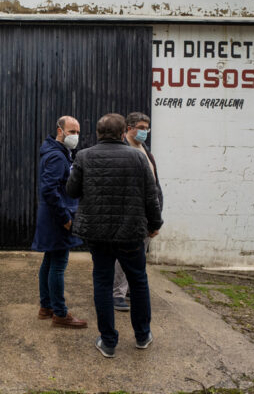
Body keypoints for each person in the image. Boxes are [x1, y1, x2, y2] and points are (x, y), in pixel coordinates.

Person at [66, 113, 163, 358]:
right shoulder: (138, 158)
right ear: (123, 133)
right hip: (131, 233)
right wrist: (155, 223)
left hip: (98, 234)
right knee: (138, 281)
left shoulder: (84, 156)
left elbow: (72, 190)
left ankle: (108, 342)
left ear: (98, 134)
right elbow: (151, 196)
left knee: (102, 282)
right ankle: (142, 336)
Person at [32, 116, 87, 329]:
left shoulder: (59, 153)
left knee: (49, 261)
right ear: (60, 131)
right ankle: (60, 313)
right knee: (58, 265)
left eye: (77, 132)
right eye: (71, 132)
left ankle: (46, 307)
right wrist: (65, 218)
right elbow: (49, 189)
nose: (75, 136)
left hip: (53, 217)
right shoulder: (56, 156)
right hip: (58, 218)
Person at [113, 112, 163, 312]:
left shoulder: (145, 150)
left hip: (147, 213)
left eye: (146, 128)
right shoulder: (121, 149)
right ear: (128, 128)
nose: (144, 132)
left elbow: (154, 184)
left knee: (139, 254)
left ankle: (127, 289)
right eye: (141, 127)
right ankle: (116, 293)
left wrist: (156, 217)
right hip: (129, 214)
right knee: (122, 255)